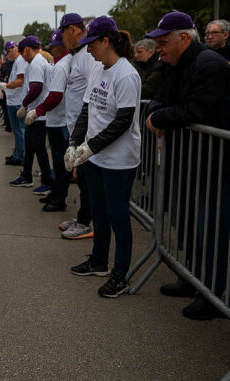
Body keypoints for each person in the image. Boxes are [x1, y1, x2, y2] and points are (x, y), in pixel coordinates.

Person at [144, 11, 230, 319]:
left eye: (163, 42)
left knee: (210, 231)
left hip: (211, 166)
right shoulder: (174, 64)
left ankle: (211, 293)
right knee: (189, 226)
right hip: (188, 163)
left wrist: (159, 117)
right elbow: (157, 100)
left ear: (183, 38)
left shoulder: (210, 65)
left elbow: (198, 110)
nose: (159, 50)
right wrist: (157, 113)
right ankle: (192, 277)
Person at [65, 16, 141, 298]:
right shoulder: (98, 69)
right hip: (95, 158)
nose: (88, 50)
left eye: (91, 44)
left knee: (118, 216)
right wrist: (74, 143)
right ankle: (98, 260)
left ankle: (120, 275)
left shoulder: (126, 74)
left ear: (105, 41)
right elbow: (86, 110)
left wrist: (90, 147)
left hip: (119, 160)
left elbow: (122, 121)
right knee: (98, 211)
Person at [56, 12, 100, 240]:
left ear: (73, 29)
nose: (61, 38)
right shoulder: (77, 56)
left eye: (63, 32)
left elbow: (91, 96)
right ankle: (83, 216)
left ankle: (87, 221)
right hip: (77, 128)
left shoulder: (87, 56)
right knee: (82, 179)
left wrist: (81, 133)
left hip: (86, 130)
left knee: (86, 180)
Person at [27, 29, 72, 212]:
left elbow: (55, 96)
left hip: (60, 120)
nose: (51, 50)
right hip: (56, 119)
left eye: (53, 47)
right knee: (57, 160)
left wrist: (37, 111)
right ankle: (55, 193)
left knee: (61, 164)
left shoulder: (62, 65)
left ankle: (59, 198)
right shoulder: (60, 63)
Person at [9, 35, 52, 195]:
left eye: (21, 52)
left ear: (26, 50)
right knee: (29, 146)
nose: (21, 56)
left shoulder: (36, 63)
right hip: (36, 112)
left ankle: (47, 181)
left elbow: (36, 88)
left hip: (38, 114)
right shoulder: (38, 62)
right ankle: (27, 175)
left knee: (39, 148)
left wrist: (24, 105)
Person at [0, 41, 27, 166]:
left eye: (8, 51)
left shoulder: (20, 62)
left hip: (17, 101)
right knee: (17, 130)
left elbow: (20, 81)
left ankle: (21, 156)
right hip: (13, 99)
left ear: (15, 49)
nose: (7, 55)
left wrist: (6, 85)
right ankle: (18, 154)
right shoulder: (16, 62)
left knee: (19, 130)